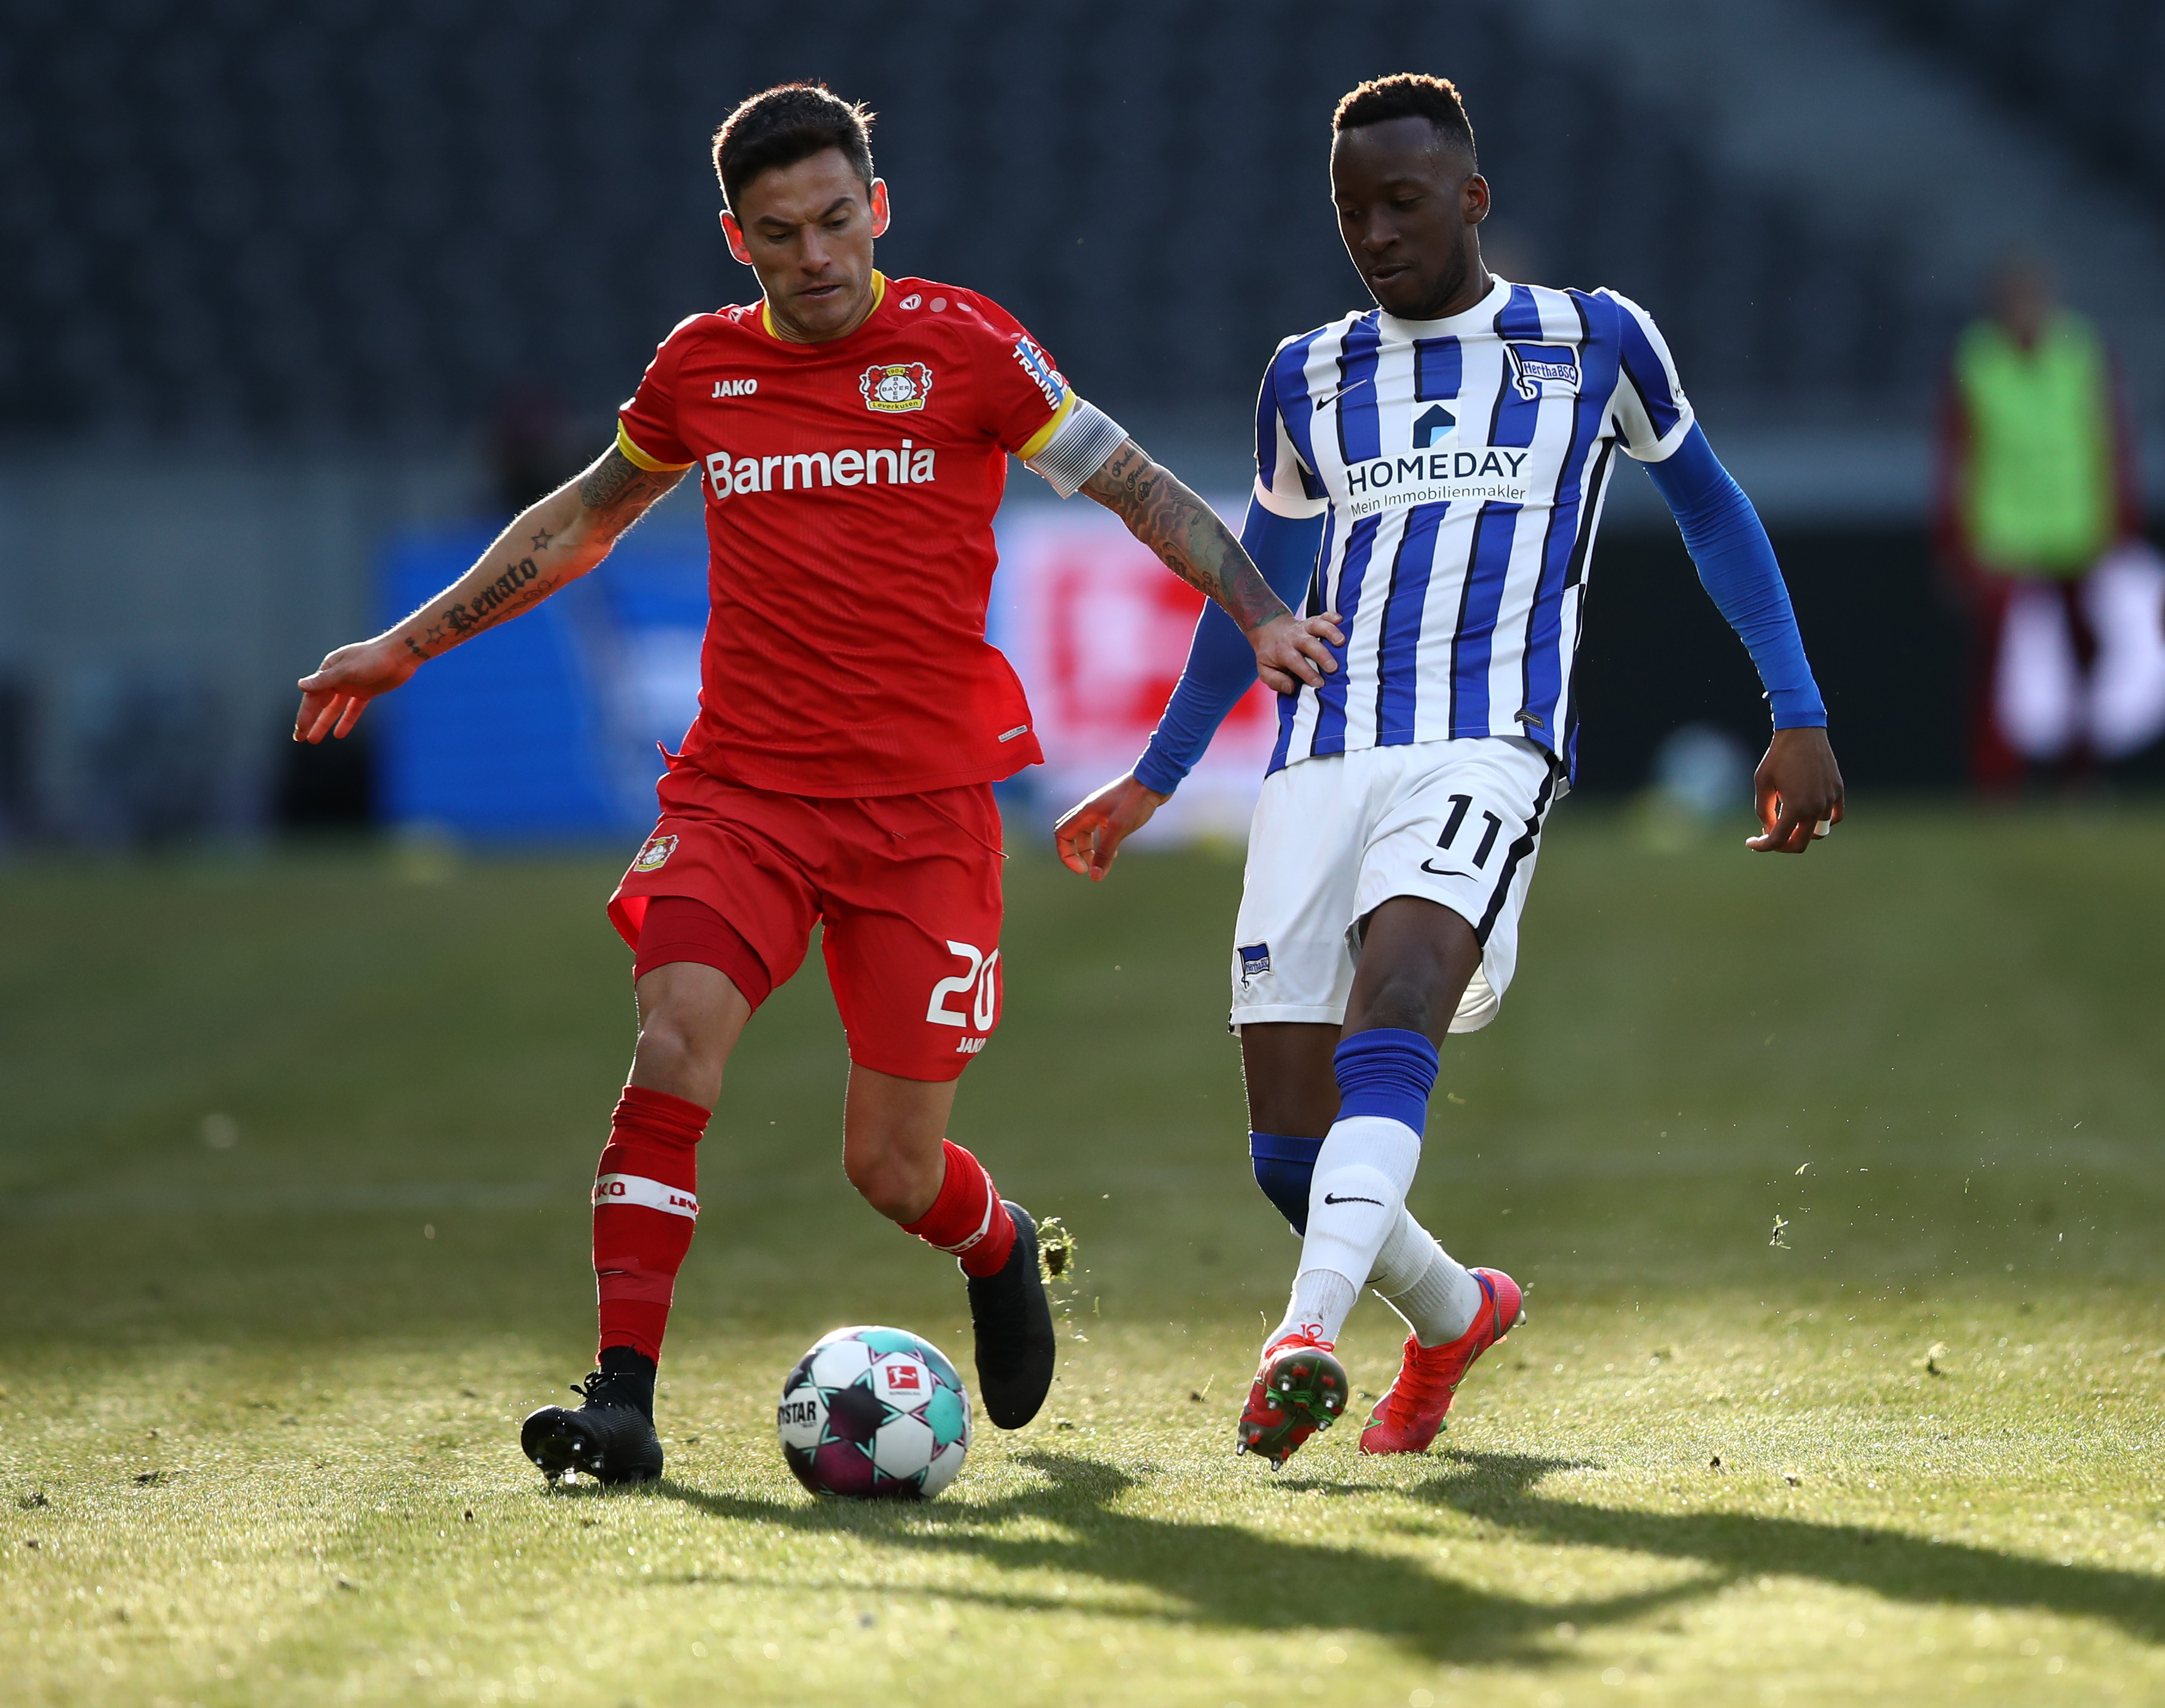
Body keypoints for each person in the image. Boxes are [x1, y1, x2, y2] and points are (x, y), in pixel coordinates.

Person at [292, 84, 1337, 1485]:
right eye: (780, 233)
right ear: (739, 238)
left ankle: (999, 1240)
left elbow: (1134, 484)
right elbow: (585, 518)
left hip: (923, 818)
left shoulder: (970, 350)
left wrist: (1262, 610)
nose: (817, 255)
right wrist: (406, 644)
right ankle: (621, 1398)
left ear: (877, 209)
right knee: (672, 1043)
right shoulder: (699, 373)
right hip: (745, 794)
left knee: (893, 1171)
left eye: (837, 220)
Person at [1053, 74, 1845, 1470]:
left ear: (1470, 199)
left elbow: (1714, 511)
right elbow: (1257, 591)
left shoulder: (1593, 341)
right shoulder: (1304, 376)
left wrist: (1794, 705)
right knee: (1289, 1157)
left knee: (1403, 987)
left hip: (1489, 740)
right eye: (1349, 209)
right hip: (1319, 760)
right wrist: (1157, 780)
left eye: (1401, 203)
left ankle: (1298, 1337)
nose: (1372, 232)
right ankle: (1451, 1312)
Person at [1935, 257, 2144, 794]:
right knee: (2001, 670)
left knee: (2084, 657)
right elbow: (1957, 457)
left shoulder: (2080, 352)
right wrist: (1957, 543)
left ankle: (2082, 775)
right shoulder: (1978, 361)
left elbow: (2111, 442)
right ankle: (1997, 784)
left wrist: (2120, 526)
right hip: (2005, 533)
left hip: (2077, 529)